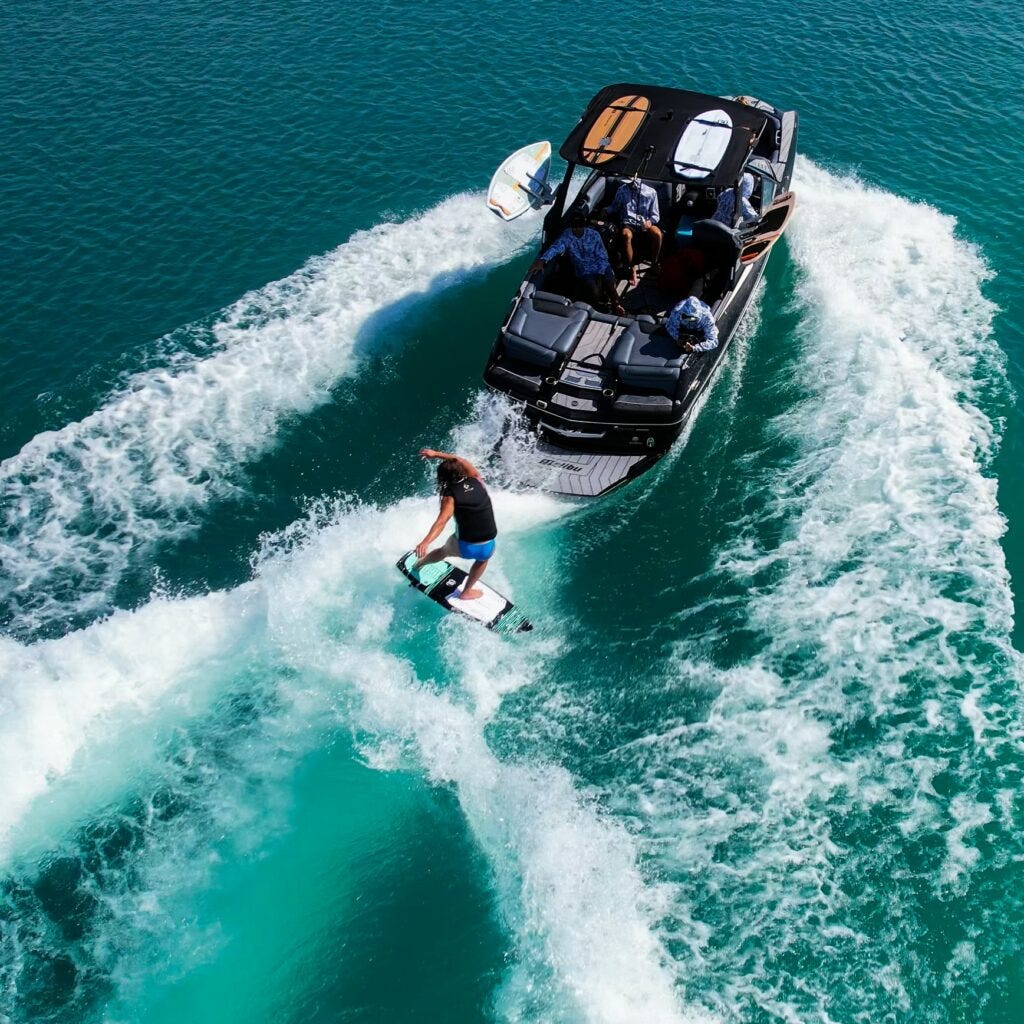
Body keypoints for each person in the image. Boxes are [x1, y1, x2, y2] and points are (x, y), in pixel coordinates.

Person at [414, 448, 497, 601]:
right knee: (482, 560)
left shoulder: (450, 496)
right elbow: (460, 460)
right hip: (489, 545)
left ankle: (419, 565)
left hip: (465, 547)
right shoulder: (477, 479)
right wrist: (437, 454)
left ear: (443, 478)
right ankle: (466, 592)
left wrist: (425, 542)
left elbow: (441, 522)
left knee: (444, 551)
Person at [530, 212, 625, 314]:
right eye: (574, 226)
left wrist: (600, 274)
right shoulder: (567, 236)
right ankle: (599, 303)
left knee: (610, 284)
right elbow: (556, 248)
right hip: (584, 271)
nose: (577, 229)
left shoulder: (594, 235)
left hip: (601, 266)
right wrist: (542, 260)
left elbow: (602, 256)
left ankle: (617, 304)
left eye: (579, 226)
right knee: (594, 290)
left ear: (583, 225)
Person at [607, 176, 662, 286]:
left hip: (645, 223)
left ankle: (654, 263)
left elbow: (656, 216)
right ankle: (632, 268)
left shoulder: (651, 192)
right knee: (626, 235)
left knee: (658, 234)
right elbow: (614, 207)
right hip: (628, 223)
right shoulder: (622, 190)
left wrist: (649, 222)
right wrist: (606, 211)